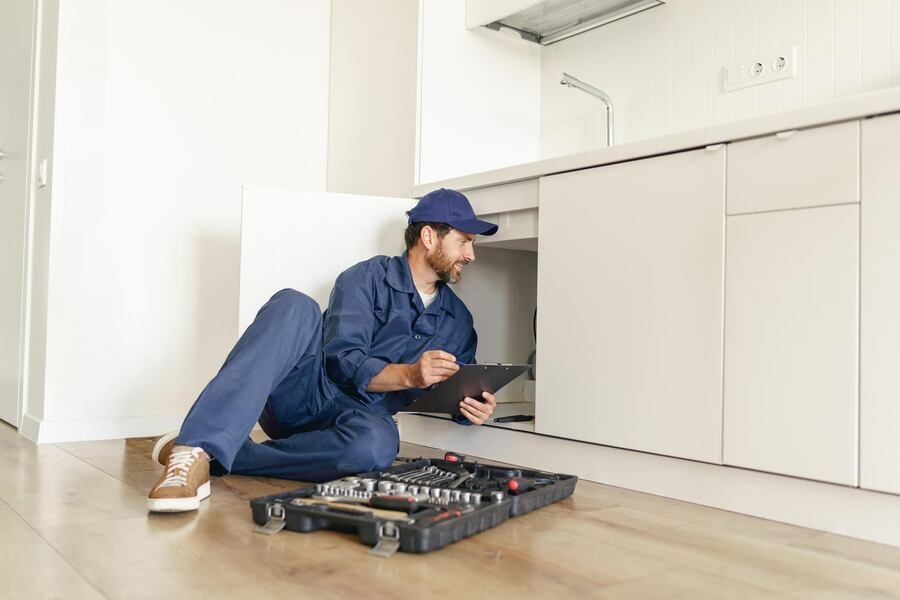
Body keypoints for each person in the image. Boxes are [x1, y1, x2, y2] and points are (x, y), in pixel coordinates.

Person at [147, 188, 500, 512]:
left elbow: (456, 386)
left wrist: (470, 407)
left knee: (377, 448)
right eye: (464, 241)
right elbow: (343, 362)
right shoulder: (365, 278)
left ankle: (217, 454)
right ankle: (192, 450)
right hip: (305, 393)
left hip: (362, 420)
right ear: (428, 237)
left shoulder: (458, 321)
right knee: (294, 304)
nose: (471, 254)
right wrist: (410, 374)